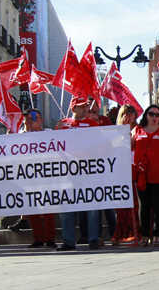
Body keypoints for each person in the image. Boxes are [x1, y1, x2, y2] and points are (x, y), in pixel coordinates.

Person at [55, 98, 103, 250]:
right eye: (82, 107)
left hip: (88, 171)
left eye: (86, 106)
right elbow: (54, 145)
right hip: (68, 172)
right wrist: (56, 131)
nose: (86, 109)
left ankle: (93, 238)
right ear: (74, 108)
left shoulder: (93, 124)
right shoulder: (63, 124)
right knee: (67, 207)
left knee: (92, 206)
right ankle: (68, 241)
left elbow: (100, 144)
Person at [133, 104, 159, 248]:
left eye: (157, 115)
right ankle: (144, 235)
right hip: (142, 174)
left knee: (158, 205)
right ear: (146, 115)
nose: (154, 117)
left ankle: (157, 235)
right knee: (144, 206)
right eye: (151, 114)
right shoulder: (137, 130)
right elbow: (127, 145)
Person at [19, 110, 57, 248]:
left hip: (47, 177)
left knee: (48, 209)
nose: (32, 121)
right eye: (29, 119)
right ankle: (38, 238)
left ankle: (50, 238)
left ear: (40, 119)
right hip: (30, 178)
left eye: (35, 118)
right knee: (33, 209)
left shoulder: (48, 132)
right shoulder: (22, 135)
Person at [111, 104, 140, 246]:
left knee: (134, 205)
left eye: (130, 114)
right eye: (124, 114)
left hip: (133, 171)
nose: (127, 117)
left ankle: (135, 233)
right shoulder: (114, 133)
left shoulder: (138, 131)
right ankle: (121, 234)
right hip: (119, 172)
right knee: (121, 206)